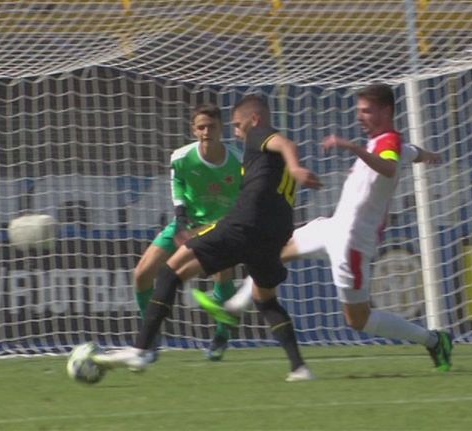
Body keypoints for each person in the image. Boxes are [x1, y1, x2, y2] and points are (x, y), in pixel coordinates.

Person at [194, 84, 454, 372]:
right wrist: (427, 155)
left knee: (358, 320)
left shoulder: (388, 142)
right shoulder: (392, 144)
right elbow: (410, 152)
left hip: (352, 242)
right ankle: (232, 309)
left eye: (366, 111)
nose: (360, 117)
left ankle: (434, 340)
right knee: (273, 251)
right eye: (359, 111)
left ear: (386, 111)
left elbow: (389, 167)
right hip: (334, 228)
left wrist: (352, 147)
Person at [91, 95, 323, 381]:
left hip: (243, 225)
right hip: (273, 236)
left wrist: (296, 167)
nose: (236, 132)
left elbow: (286, 144)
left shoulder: (258, 135)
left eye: (237, 125)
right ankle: (300, 368)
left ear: (254, 120)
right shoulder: (263, 160)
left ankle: (142, 349)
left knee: (171, 271)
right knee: (266, 300)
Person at [133, 103, 243, 361]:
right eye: (201, 127)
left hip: (220, 227)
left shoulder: (238, 161)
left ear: (221, 128)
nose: (206, 132)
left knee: (222, 275)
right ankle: (151, 335)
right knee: (142, 274)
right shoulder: (181, 157)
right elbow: (178, 185)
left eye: (211, 127)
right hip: (186, 223)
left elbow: (246, 197)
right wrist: (181, 219)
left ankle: (221, 336)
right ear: (193, 130)